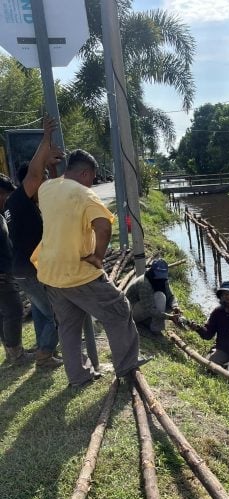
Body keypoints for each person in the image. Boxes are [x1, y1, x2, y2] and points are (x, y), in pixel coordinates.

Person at [35, 149, 146, 388]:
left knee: (69, 327)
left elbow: (57, 194)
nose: (93, 183)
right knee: (118, 310)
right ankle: (127, 366)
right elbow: (103, 227)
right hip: (78, 271)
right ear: (86, 173)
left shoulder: (47, 188)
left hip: (50, 272)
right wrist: (98, 256)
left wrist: (52, 168)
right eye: (93, 177)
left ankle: (78, 377)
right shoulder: (85, 194)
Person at [4, 116, 64, 369]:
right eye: (39, 180)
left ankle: (42, 347)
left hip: (25, 269)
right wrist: (46, 138)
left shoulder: (18, 205)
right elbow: (35, 173)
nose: (43, 183)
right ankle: (45, 355)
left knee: (40, 311)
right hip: (29, 270)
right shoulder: (19, 199)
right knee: (56, 314)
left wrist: (52, 166)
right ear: (29, 183)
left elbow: (53, 184)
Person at [0, 174, 31, 365]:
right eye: (5, 195)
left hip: (6, 270)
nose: (8, 200)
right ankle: (16, 354)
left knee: (4, 312)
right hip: (2, 274)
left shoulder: (2, 214)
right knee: (14, 310)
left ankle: (10, 350)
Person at [126, 258, 180, 336]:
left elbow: (170, 296)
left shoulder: (163, 280)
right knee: (160, 297)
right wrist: (169, 317)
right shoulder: (144, 283)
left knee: (166, 301)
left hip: (145, 305)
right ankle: (156, 328)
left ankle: (149, 322)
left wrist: (175, 306)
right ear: (152, 272)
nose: (160, 279)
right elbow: (149, 309)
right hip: (131, 311)